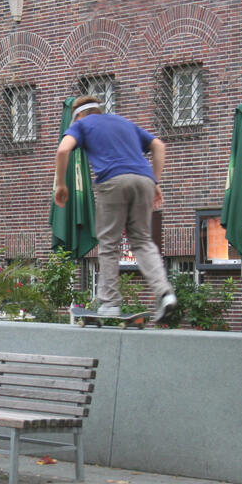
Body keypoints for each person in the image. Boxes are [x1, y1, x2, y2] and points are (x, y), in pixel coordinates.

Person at [53, 95, 177, 322]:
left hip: (113, 181)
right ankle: (165, 293)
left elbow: (63, 150)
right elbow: (159, 145)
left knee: (109, 243)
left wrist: (61, 184)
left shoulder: (82, 124)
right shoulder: (123, 122)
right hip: (144, 180)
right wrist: (155, 181)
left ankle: (110, 304)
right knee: (142, 241)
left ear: (78, 114)